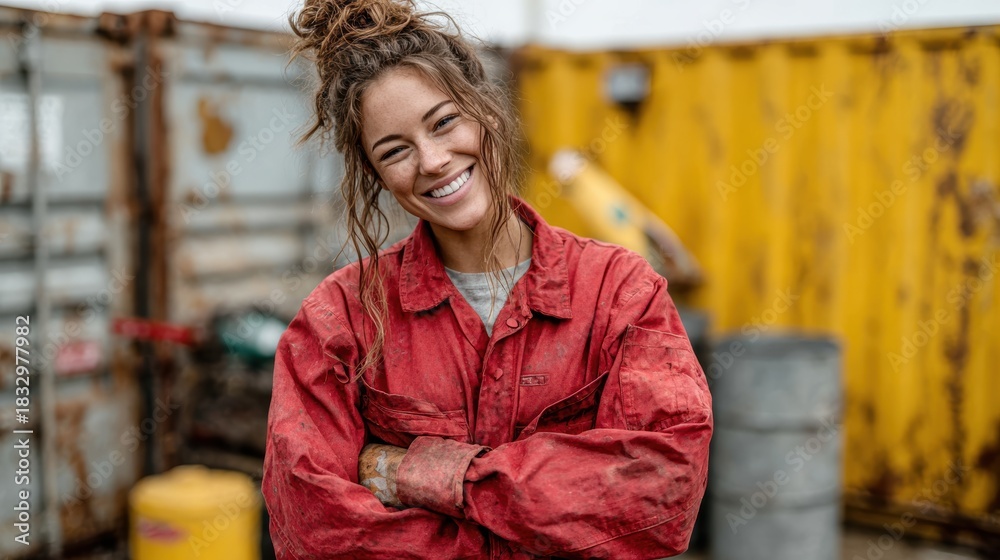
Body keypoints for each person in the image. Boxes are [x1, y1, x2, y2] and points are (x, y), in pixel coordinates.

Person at [262, 1, 713, 558]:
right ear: (375, 175)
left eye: (444, 122)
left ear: (486, 111)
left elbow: (662, 493)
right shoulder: (341, 318)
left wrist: (418, 474)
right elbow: (312, 526)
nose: (431, 160)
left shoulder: (621, 293)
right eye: (395, 150)